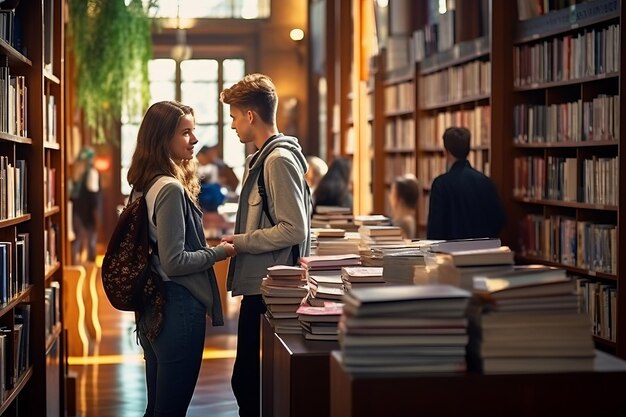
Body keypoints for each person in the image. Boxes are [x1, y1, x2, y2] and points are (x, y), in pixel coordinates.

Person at [126, 100, 236, 417]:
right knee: (170, 410)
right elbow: (175, 261)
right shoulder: (170, 189)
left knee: (157, 408)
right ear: (163, 138)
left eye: (193, 131)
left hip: (151, 304)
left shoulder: (142, 185)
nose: (195, 140)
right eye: (185, 133)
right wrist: (220, 251)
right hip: (177, 305)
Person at [220, 73, 311, 417]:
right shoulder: (263, 159)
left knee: (249, 383)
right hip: (261, 286)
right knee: (246, 381)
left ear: (250, 116)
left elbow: (294, 228)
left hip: (270, 290)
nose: (232, 125)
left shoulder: (277, 161)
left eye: (233, 116)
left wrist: (241, 242)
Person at [427, 127, 505, 240]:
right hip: (483, 252)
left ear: (446, 152)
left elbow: (435, 229)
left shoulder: (441, 184)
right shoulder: (486, 182)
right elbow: (499, 219)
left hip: (450, 253)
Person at [70, 146, 101, 264]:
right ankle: (87, 275)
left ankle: (77, 270)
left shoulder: (77, 174)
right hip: (87, 215)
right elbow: (93, 198)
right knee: (90, 243)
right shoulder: (91, 173)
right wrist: (96, 216)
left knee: (78, 241)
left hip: (77, 212)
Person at [389, 174, 420, 240]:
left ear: (399, 198)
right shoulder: (405, 219)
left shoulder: (404, 222)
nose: (390, 197)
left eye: (392, 193)